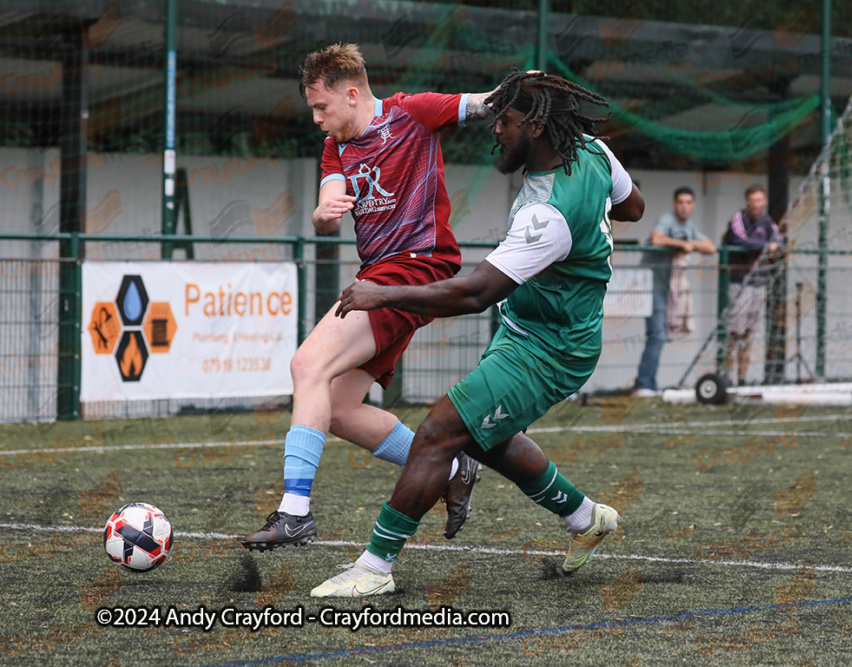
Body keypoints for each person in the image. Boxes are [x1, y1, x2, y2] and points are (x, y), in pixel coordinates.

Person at [310, 70, 645, 597]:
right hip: (527, 327)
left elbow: (474, 294)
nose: (496, 130)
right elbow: (632, 207)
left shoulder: (545, 215)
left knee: (439, 432)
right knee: (486, 437)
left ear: (535, 126)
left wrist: (382, 293)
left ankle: (374, 568)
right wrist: (589, 241)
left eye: (506, 122)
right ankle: (585, 518)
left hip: (551, 349)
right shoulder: (594, 151)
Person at [240, 44, 501, 551]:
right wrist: (324, 214)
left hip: (414, 270)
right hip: (377, 279)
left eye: (322, 107)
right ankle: (449, 464)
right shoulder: (337, 146)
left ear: (353, 93)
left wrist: (520, 89)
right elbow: (323, 207)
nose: (317, 120)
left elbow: (483, 105)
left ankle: (295, 514)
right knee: (337, 408)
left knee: (306, 366)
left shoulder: (410, 112)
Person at [632, 187, 715, 397]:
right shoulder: (667, 219)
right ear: (674, 204)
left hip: (669, 289)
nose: (684, 206)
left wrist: (689, 244)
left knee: (660, 335)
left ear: (693, 205)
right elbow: (657, 238)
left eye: (688, 202)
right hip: (651, 285)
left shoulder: (688, 226)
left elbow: (710, 247)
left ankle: (647, 383)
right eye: (680, 202)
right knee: (657, 335)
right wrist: (681, 244)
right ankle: (645, 384)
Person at [723, 184, 782, 386]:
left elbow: (780, 242)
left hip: (760, 283)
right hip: (740, 282)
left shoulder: (767, 222)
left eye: (759, 200)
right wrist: (766, 247)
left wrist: (773, 247)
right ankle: (726, 377)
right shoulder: (739, 218)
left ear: (764, 201)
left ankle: (742, 379)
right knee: (734, 332)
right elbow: (740, 241)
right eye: (751, 200)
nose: (755, 204)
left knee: (749, 333)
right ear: (747, 201)